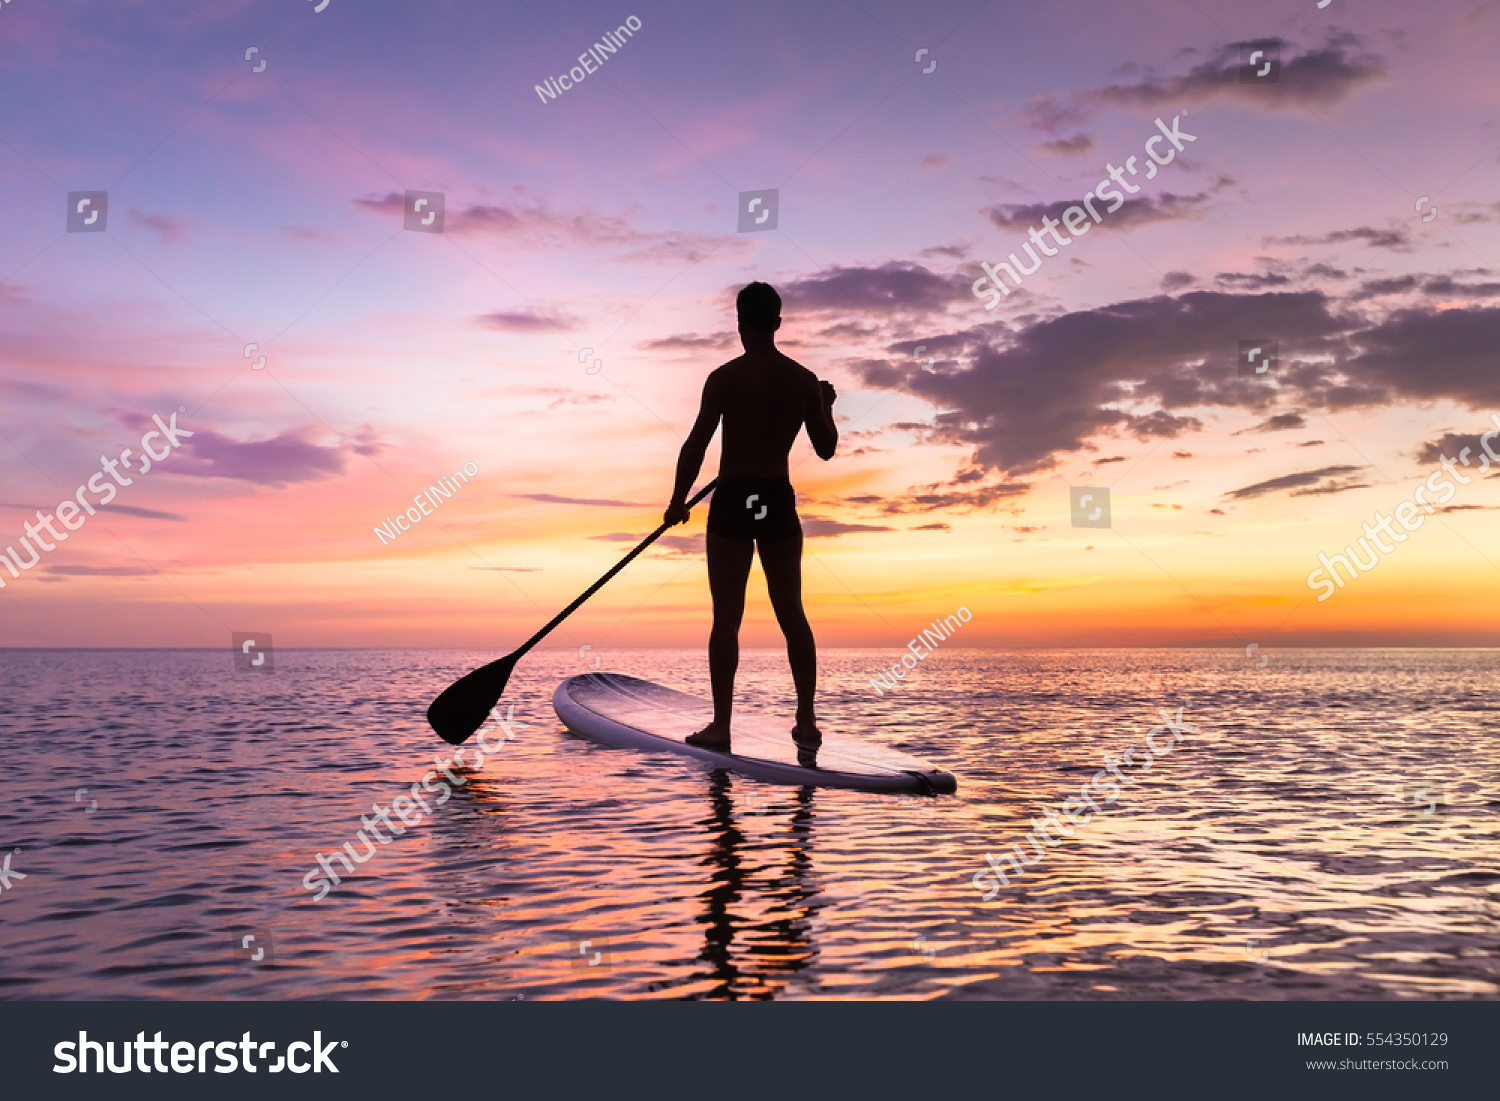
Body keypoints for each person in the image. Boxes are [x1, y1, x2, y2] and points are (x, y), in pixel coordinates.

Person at [663, 282, 838, 751]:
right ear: (778, 323)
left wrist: (678, 500)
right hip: (774, 498)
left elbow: (696, 444)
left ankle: (721, 727)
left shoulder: (724, 378)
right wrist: (826, 405)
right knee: (791, 612)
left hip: (735, 498)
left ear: (739, 322)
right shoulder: (803, 380)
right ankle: (806, 721)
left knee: (727, 617)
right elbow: (825, 450)